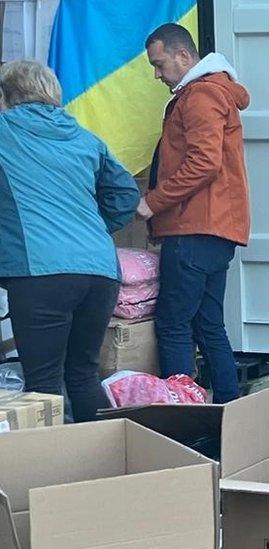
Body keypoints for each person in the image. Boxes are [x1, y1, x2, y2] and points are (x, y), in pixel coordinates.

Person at [0, 60, 139, 421]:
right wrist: (88, 230)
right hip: (100, 270)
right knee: (83, 374)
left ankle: (54, 470)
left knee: (43, 384)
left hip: (41, 273)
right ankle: (106, 463)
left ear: (7, 95)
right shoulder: (85, 137)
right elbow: (125, 195)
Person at [141, 23, 251, 404]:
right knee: (208, 325)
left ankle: (184, 419)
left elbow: (203, 162)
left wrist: (151, 202)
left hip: (193, 227)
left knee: (174, 325)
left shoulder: (200, 95)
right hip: (216, 227)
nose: (157, 74)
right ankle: (226, 407)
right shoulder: (214, 91)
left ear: (184, 55)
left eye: (159, 64)